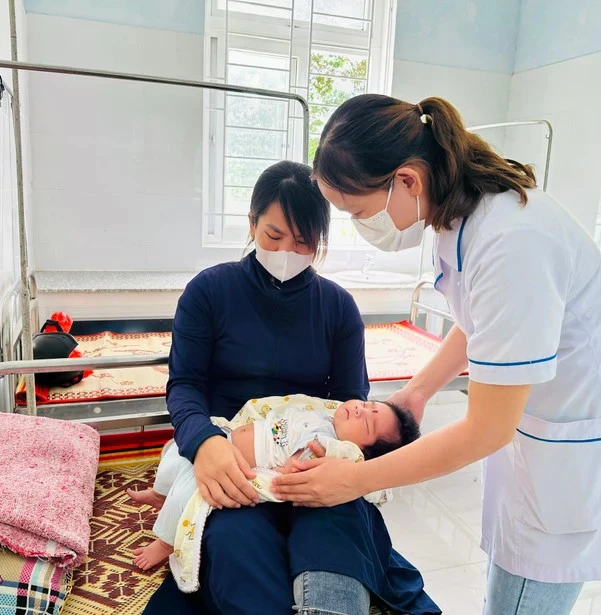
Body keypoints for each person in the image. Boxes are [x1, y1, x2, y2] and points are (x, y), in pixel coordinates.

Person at [271, 94, 601, 615]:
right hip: (535, 442)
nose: (360, 226)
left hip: (574, 460)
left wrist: (357, 479)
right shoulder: (460, 217)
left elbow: (486, 428)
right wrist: (415, 393)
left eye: (359, 211)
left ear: (407, 180)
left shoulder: (512, 241)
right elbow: (478, 321)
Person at [139, 160, 440, 615]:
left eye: (303, 242)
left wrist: (331, 465)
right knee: (232, 538)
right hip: (234, 456)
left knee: (339, 525)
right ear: (252, 223)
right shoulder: (208, 293)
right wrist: (205, 445)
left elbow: (349, 404)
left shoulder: (337, 309)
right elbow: (184, 386)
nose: (287, 251)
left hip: (312, 457)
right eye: (274, 236)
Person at [131, 398, 420, 570]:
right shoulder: (324, 412)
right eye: (367, 406)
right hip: (224, 435)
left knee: (190, 485)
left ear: (362, 449)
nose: (360, 411)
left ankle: (165, 542)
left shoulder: (326, 439)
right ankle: (159, 493)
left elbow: (303, 456)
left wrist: (292, 466)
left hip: (233, 459)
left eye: (368, 423)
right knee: (175, 451)